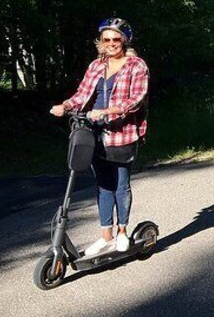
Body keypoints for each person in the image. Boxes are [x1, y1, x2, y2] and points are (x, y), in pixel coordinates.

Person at [49, 18, 149, 255]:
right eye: (107, 39)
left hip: (122, 133)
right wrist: (64, 105)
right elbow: (82, 93)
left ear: (124, 41)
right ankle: (106, 236)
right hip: (94, 133)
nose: (111, 43)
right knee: (103, 185)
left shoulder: (136, 65)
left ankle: (123, 232)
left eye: (116, 39)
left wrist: (107, 111)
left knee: (121, 186)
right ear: (101, 42)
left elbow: (136, 99)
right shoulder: (96, 66)